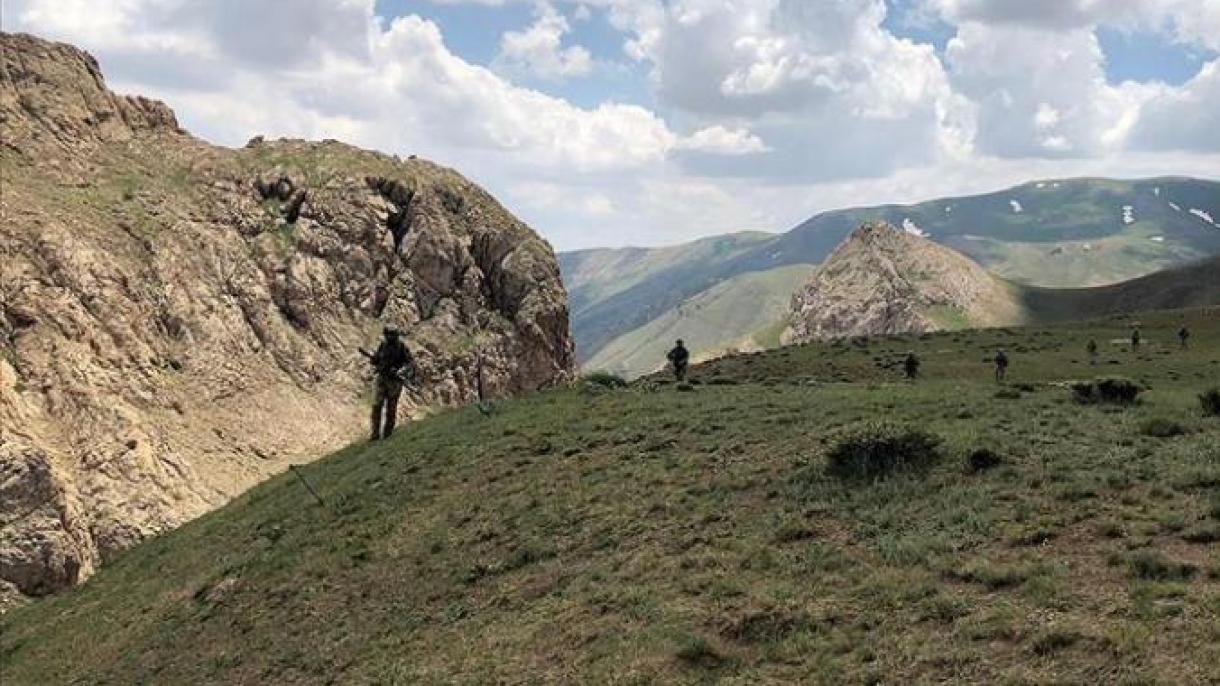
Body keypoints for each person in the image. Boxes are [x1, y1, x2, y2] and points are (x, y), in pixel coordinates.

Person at [364, 326, 416, 441]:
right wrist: (374, 359)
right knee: (377, 406)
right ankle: (375, 433)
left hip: (394, 382)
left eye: (392, 335)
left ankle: (388, 433)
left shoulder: (401, 347)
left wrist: (400, 371)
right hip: (382, 378)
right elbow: (378, 359)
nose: (390, 337)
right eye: (388, 335)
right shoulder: (383, 345)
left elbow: (410, 363)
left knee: (391, 408)